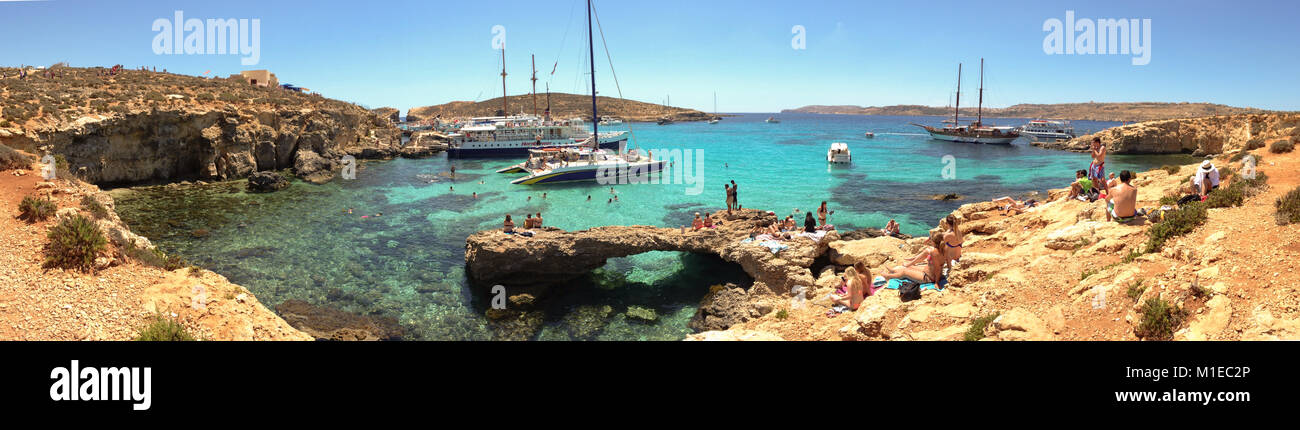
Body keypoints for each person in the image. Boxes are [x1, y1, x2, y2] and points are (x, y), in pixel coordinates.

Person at [880, 232, 948, 284]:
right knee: (908, 266)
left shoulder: (934, 252)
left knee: (904, 271)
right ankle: (894, 271)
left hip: (929, 278)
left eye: (931, 240)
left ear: (933, 241)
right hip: (928, 271)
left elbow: (938, 268)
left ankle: (888, 276)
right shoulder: (942, 249)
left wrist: (936, 283)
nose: (930, 241)